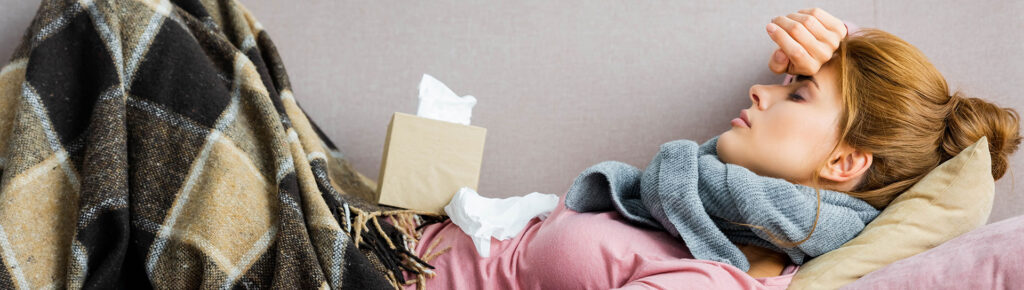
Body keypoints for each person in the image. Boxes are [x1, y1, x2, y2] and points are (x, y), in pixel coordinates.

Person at [401, 8, 1022, 290]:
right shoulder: (705, 204)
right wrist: (834, 37)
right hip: (395, 234)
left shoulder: (731, 276)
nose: (761, 88)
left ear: (843, 163)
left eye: (796, 94)